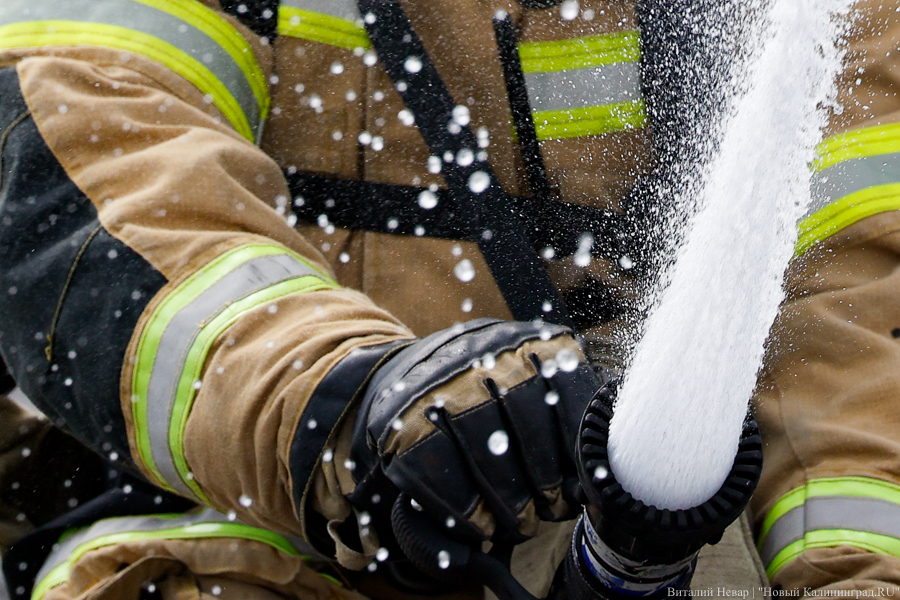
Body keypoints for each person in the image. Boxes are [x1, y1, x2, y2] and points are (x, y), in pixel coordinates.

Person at [0, 0, 894, 598]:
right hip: (254, 534)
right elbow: (99, 169)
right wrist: (350, 405)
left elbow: (852, 318)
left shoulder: (806, 18)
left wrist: (857, 576)